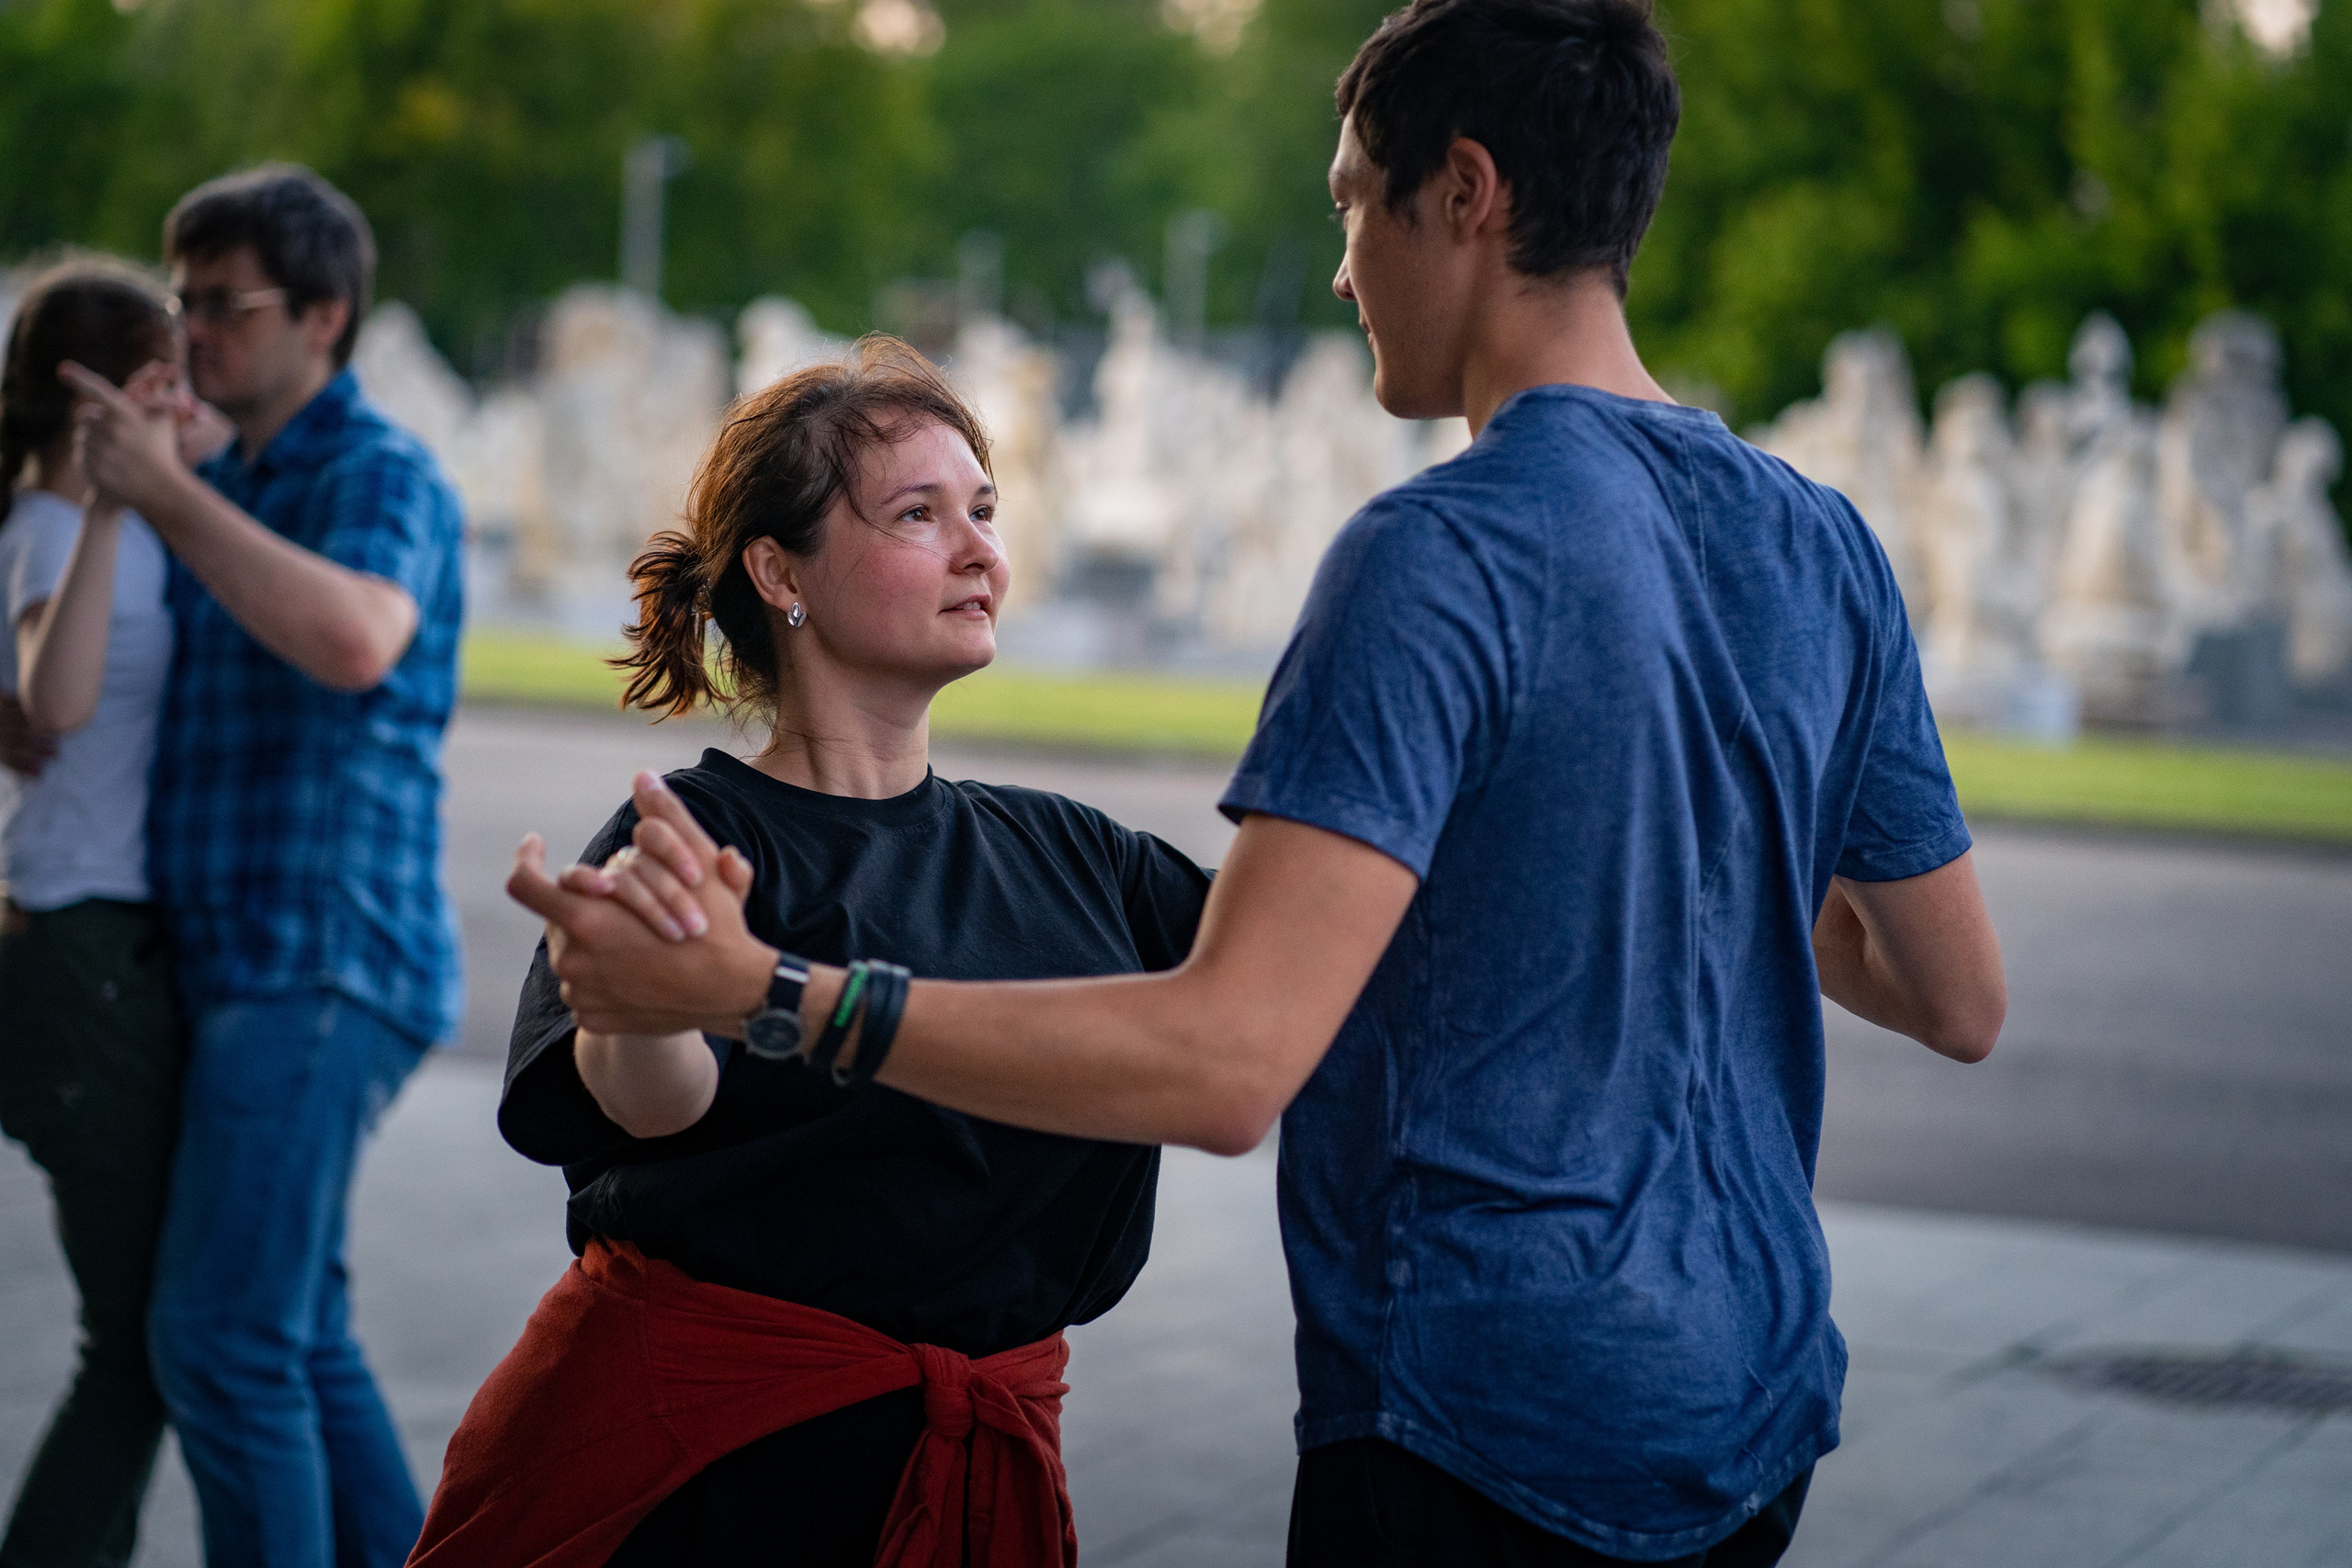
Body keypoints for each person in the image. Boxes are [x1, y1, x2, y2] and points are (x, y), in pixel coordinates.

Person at [514, 2, 2009, 1565]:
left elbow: (1232, 1060)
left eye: (1356, 202)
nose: (1349, 264)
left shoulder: (1442, 553)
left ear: (1466, 193)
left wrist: (776, 988)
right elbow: (1952, 990)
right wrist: (1670, 848)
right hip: (1749, 1403)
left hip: (1484, 1419)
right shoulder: (1822, 539)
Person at [409, 337, 1211, 1567]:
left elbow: (1306, 976)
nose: (979, 549)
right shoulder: (693, 836)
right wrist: (644, 1001)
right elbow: (648, 1106)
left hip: (970, 1477)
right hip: (711, 1483)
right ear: (780, 570)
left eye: (984, 511)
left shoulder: (1079, 856)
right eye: (918, 514)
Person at [60, 164, 465, 1567]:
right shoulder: (218, 476)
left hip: (324, 956)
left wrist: (168, 500)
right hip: (240, 964)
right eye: (182, 304)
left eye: (222, 307)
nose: (191, 335)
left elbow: (356, 640)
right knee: (296, 1329)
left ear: (326, 316)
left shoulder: (378, 471)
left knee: (220, 1340)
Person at [0, 261, 185, 1568]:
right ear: (100, 393)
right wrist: (116, 509)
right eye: (165, 375)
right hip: (78, 953)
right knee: (135, 1348)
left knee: (140, 1343)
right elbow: (51, 707)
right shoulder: (52, 533)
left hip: (101, 946)